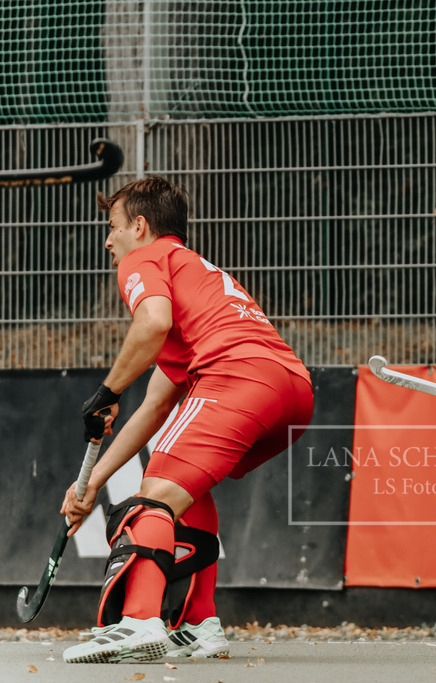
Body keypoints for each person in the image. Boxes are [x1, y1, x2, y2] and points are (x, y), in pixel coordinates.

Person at [61, 176, 314, 663]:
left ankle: (137, 622)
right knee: (182, 488)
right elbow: (155, 405)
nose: (108, 241)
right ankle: (198, 624)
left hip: (239, 379)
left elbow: (150, 322)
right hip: (292, 391)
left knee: (151, 493)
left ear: (140, 225)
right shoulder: (197, 276)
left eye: (113, 227)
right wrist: (90, 483)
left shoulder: (145, 258)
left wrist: (107, 391)